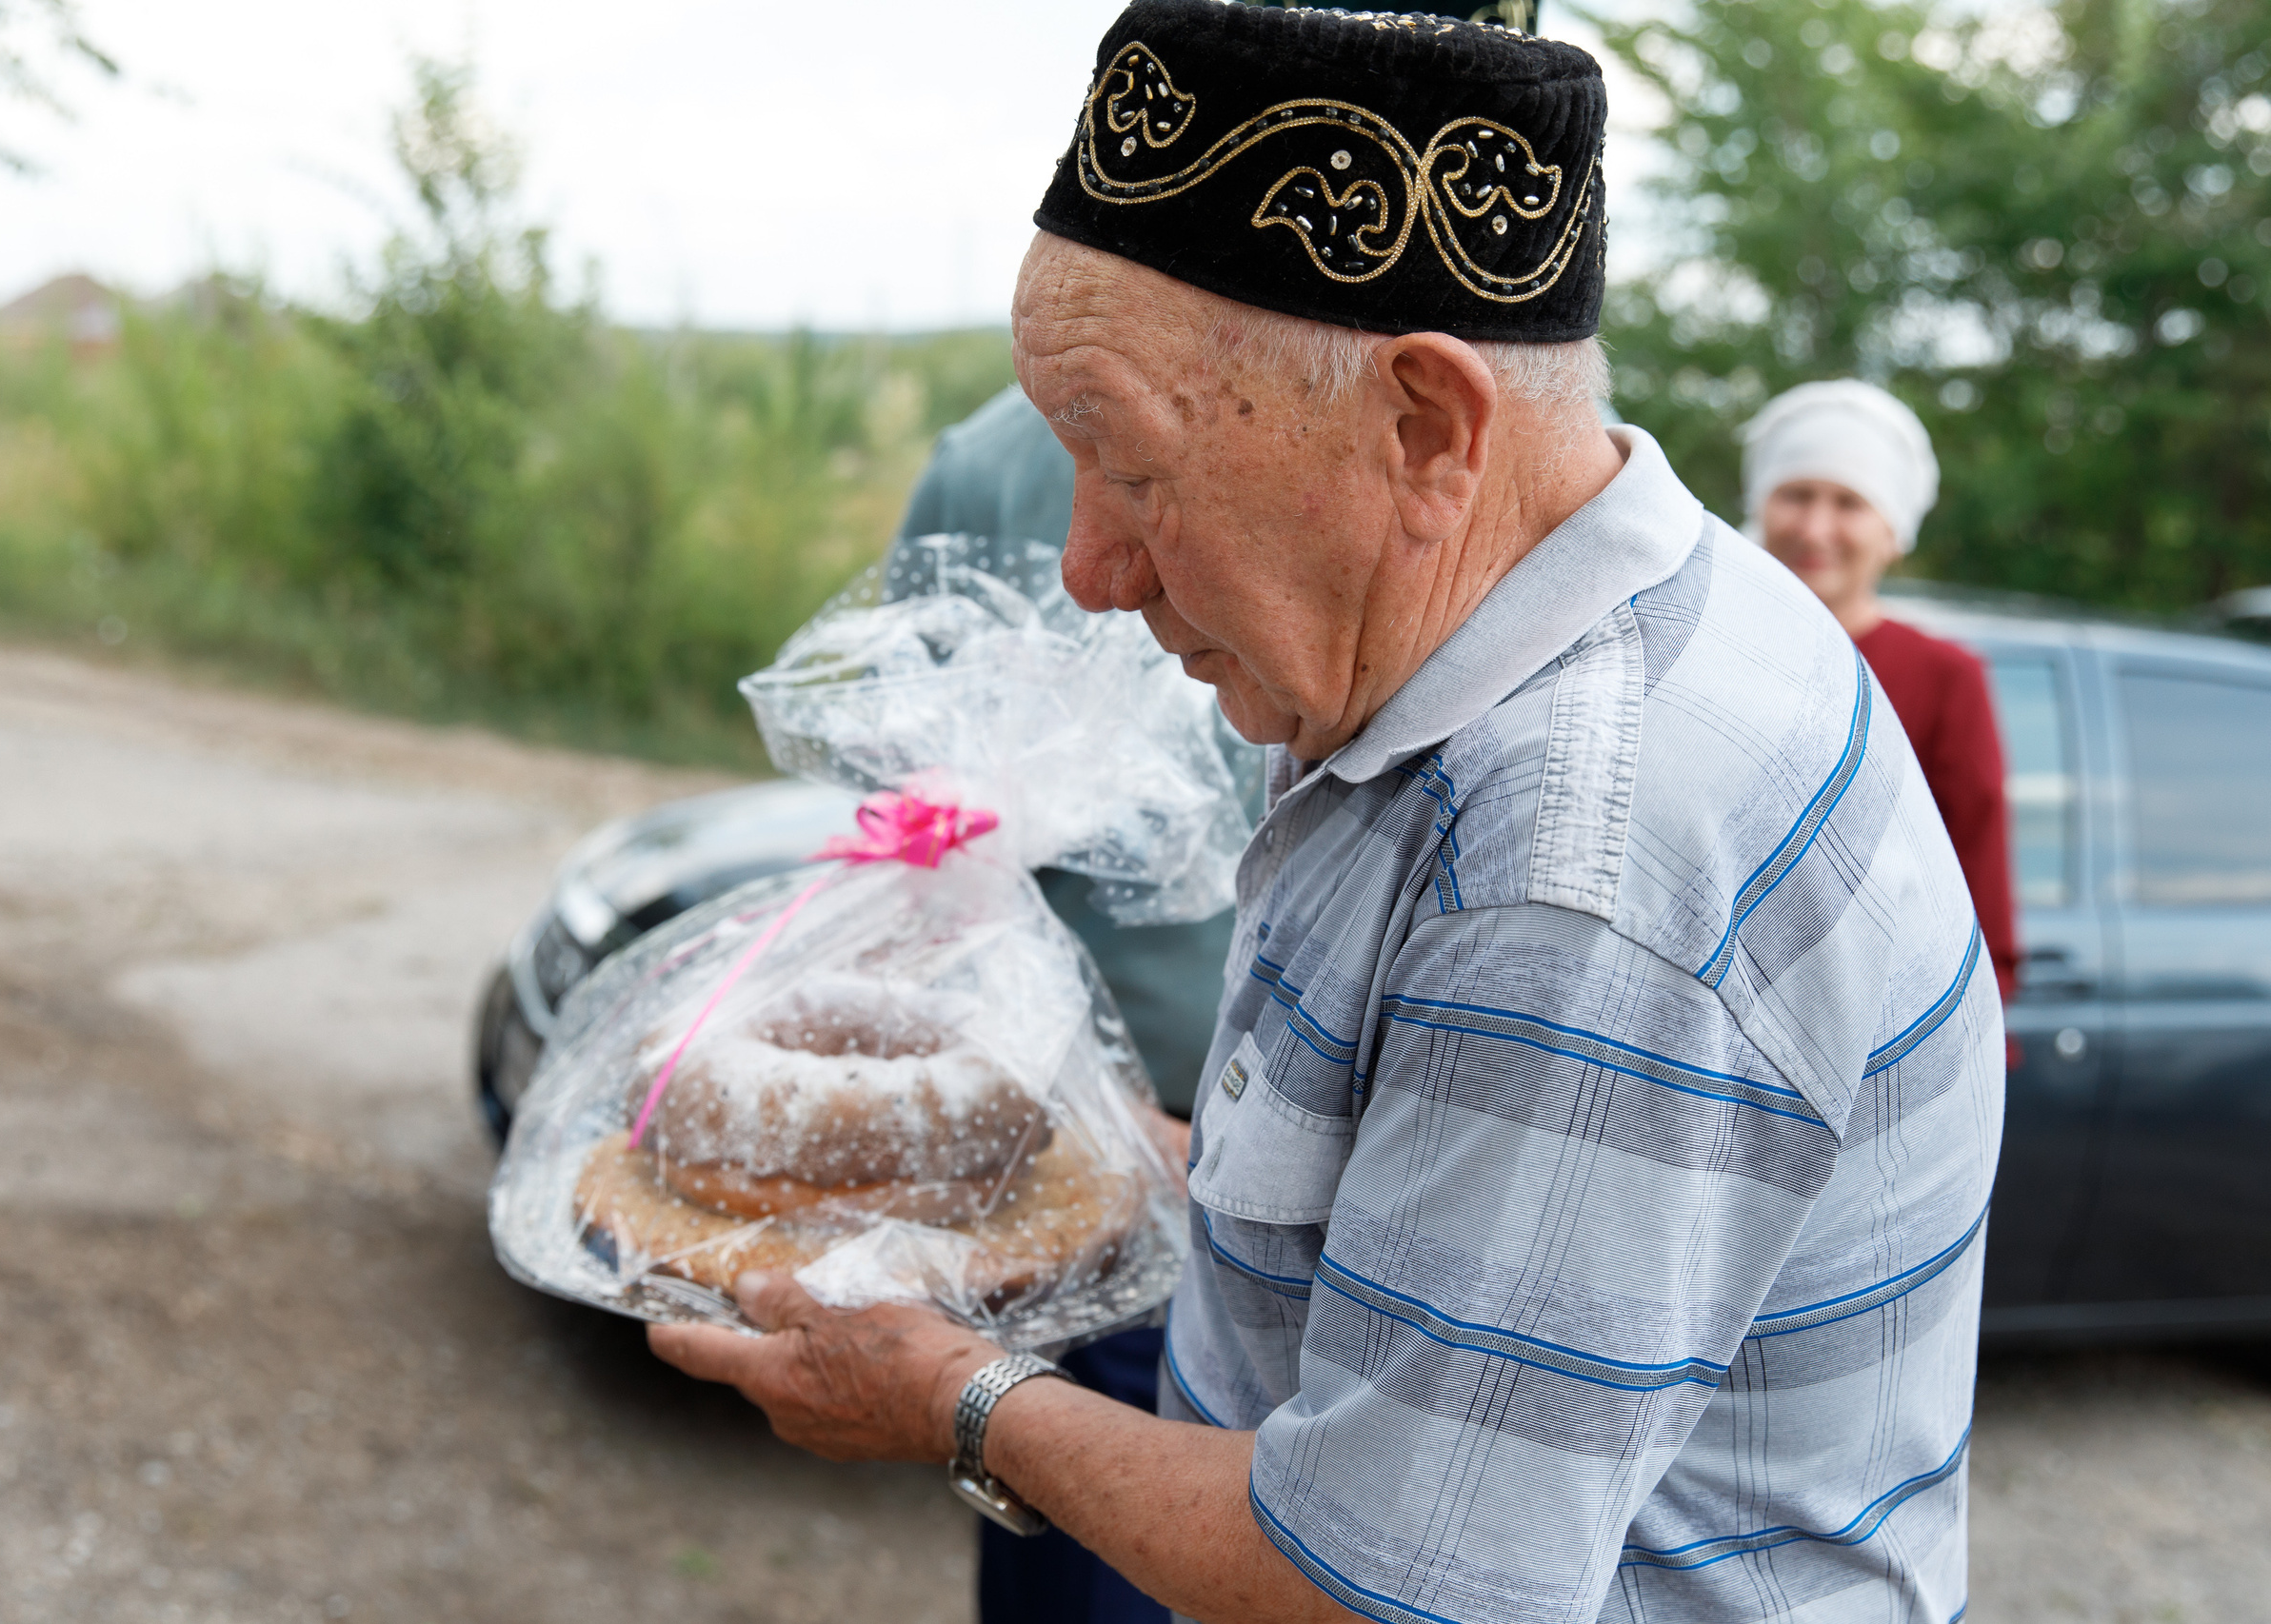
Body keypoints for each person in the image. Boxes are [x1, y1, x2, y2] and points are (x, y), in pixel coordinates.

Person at [653, 7, 2003, 1622]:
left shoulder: (1575, 873)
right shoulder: (1526, 625)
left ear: (1427, 432)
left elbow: (1384, 1588)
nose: (1091, 569)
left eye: (1130, 466)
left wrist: (947, 1392)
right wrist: (1141, 1161)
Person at [893, 385, 1224, 1624]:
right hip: (1044, 1100)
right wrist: (950, 834)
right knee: (1032, 1460)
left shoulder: (1292, 410)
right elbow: (907, 750)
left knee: (1181, 1489)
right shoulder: (981, 461)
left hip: (1241, 1127)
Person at [1744, 381, 2018, 999]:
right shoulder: (1715, 649)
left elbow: (1978, 876)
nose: (1815, 527)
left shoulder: (1945, 678)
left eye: (1848, 502)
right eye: (1796, 494)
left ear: (1894, 530)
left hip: (1884, 1024)